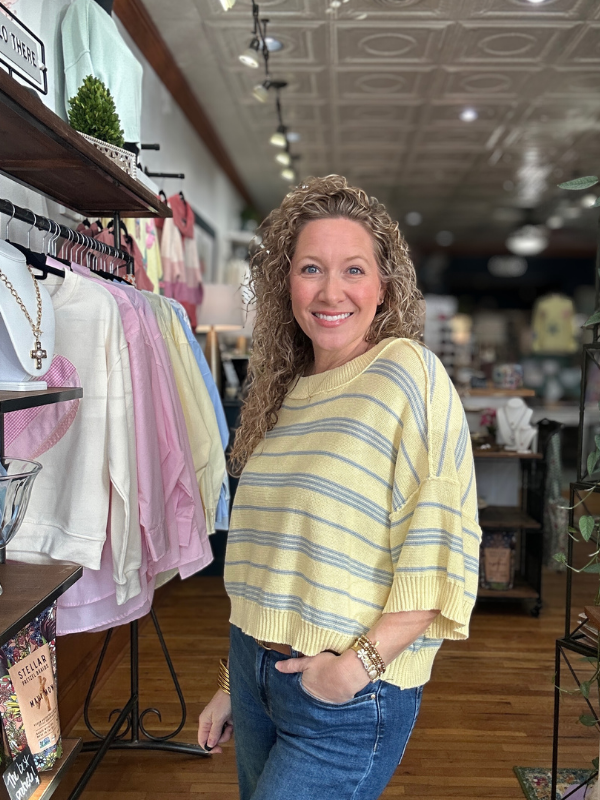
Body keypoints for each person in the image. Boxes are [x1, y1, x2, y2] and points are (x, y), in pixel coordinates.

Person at [198, 175, 481, 800]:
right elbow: (270, 559)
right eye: (309, 269)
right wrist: (231, 681)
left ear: (383, 287)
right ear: (286, 286)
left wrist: (358, 669)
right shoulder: (285, 393)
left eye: (354, 269)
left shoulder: (410, 376)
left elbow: (441, 548)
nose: (331, 291)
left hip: (346, 696)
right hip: (254, 673)